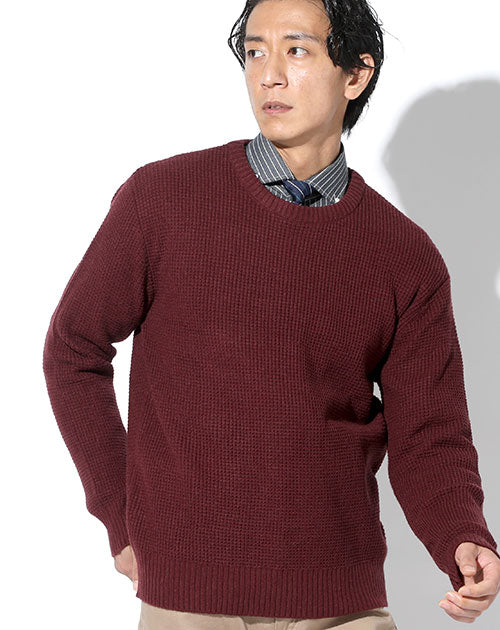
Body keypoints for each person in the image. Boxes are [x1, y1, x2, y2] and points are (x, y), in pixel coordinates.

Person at [42, 0, 500, 628]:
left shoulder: (404, 254)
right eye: (255, 52)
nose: (269, 74)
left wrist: (462, 537)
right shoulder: (163, 200)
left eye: (297, 50)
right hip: (191, 603)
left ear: (356, 74)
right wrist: (119, 512)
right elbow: (73, 348)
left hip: (342, 602)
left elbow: (430, 433)